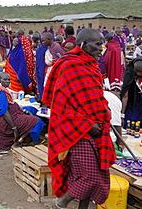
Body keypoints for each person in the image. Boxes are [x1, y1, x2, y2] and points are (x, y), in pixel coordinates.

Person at [42, 28, 115, 208]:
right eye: (97, 45)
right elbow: (59, 105)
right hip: (74, 130)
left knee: (96, 173)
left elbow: (93, 98)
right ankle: (61, 202)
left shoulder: (92, 66)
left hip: (96, 127)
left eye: (102, 45)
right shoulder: (69, 65)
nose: (101, 49)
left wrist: (103, 116)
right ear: (83, 44)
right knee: (89, 176)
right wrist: (87, 124)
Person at [0, 73, 44, 151]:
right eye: (5, 79)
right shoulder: (1, 92)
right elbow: (4, 112)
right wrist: (14, 128)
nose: (7, 81)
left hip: (10, 115)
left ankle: (26, 137)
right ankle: (21, 141)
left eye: (8, 80)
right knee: (37, 121)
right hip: (5, 120)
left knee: (30, 109)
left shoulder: (0, 89)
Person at [121, 56, 142, 128]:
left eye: (141, 72)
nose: (139, 74)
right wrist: (122, 115)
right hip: (131, 101)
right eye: (137, 71)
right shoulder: (129, 73)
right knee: (130, 122)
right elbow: (125, 95)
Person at [35, 33, 49, 101]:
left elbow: (37, 61)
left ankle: (41, 98)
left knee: (41, 86)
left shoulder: (38, 50)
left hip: (40, 70)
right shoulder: (50, 49)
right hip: (48, 70)